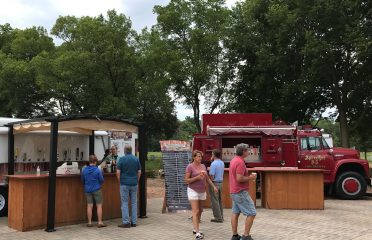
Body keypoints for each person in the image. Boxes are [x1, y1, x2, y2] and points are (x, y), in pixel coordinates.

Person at [185, 150, 217, 240]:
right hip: (193, 190)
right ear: (194, 157)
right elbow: (186, 180)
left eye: (201, 157)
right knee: (195, 211)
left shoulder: (203, 166)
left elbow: (207, 178)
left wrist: (213, 186)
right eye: (198, 156)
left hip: (202, 191)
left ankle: (195, 228)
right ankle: (197, 233)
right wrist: (197, 177)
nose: (200, 158)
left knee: (200, 210)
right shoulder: (190, 167)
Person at [229, 143, 257, 240]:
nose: (249, 151)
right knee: (252, 213)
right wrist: (250, 177)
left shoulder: (234, 160)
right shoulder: (240, 162)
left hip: (234, 191)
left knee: (235, 212)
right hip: (240, 192)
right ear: (244, 151)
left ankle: (235, 235)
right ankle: (246, 236)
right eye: (248, 150)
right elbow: (239, 178)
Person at [116, 145, 141, 228]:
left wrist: (120, 181)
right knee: (134, 203)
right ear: (131, 150)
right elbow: (139, 172)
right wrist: (136, 180)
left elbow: (118, 172)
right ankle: (134, 222)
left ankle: (126, 222)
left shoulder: (122, 159)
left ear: (125, 151)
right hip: (134, 183)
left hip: (124, 184)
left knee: (125, 203)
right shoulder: (136, 159)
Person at [81, 155, 106, 228]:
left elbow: (82, 180)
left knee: (89, 205)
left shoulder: (84, 170)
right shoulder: (97, 170)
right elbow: (102, 180)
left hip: (88, 190)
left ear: (89, 162)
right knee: (99, 205)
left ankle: (89, 222)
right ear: (95, 162)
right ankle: (100, 222)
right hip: (97, 189)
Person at [208, 149, 225, 223]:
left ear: (214, 155)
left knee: (214, 201)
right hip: (221, 183)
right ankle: (221, 216)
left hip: (214, 183)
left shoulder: (213, 164)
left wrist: (210, 181)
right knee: (219, 200)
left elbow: (212, 175)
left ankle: (218, 218)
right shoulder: (222, 162)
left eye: (212, 154)